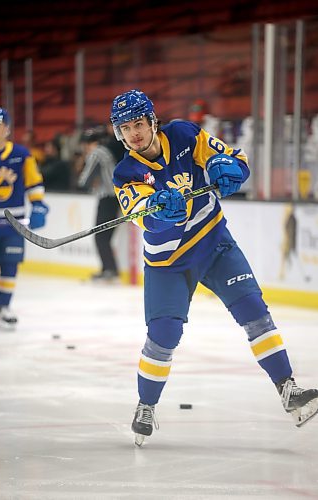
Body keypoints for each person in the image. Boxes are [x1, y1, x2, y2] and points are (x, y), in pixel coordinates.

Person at [110, 89, 318, 446]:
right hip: (168, 263)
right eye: (125, 128)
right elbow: (144, 219)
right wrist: (159, 210)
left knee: (255, 311)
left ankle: (288, 389)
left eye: (139, 123)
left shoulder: (184, 135)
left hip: (213, 244)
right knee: (164, 336)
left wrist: (230, 169)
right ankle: (146, 406)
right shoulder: (126, 173)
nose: (134, 133)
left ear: (152, 121)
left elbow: (235, 158)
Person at [0, 107, 49, 331]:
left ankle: (5, 307)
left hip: (14, 223)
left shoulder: (22, 154)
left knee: (10, 264)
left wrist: (39, 204)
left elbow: (34, 182)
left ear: (8, 129)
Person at [77, 126, 120, 281]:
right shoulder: (106, 152)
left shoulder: (97, 153)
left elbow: (84, 180)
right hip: (115, 197)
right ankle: (109, 269)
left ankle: (109, 270)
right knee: (105, 236)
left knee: (101, 236)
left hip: (107, 197)